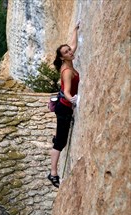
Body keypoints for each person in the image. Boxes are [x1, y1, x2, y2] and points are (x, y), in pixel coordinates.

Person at [48, 21, 80, 188]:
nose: (70, 52)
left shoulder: (68, 60)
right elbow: (67, 91)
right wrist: (73, 99)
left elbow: (73, 44)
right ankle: (53, 173)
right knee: (60, 142)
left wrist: (74, 28)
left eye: (69, 50)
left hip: (63, 105)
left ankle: (57, 134)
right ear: (62, 57)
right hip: (63, 107)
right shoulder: (66, 71)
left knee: (60, 136)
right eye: (66, 52)